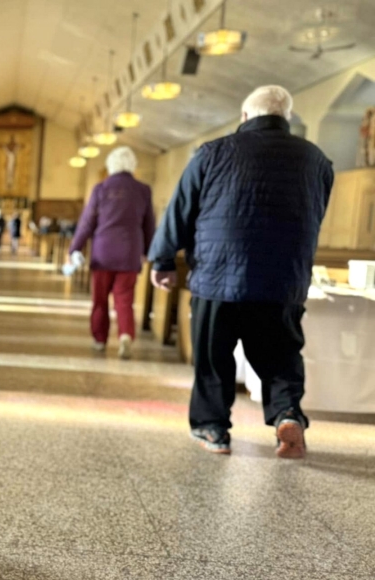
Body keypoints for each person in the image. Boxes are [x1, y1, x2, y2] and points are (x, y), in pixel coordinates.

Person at [147, 85, 333, 458]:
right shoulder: (316, 160)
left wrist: (164, 260)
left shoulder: (214, 152)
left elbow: (181, 209)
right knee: (280, 357)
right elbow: (316, 214)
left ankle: (212, 429)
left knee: (214, 359)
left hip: (218, 279)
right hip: (282, 280)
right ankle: (287, 413)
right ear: (287, 118)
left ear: (245, 117)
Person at [69, 146, 155, 359]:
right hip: (129, 253)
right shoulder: (143, 190)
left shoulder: (101, 188)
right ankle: (125, 335)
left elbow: (87, 223)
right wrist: (148, 251)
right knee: (124, 299)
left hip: (103, 253)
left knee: (100, 300)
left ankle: (99, 339)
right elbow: (149, 225)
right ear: (132, 165)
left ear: (111, 165)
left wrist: (75, 247)